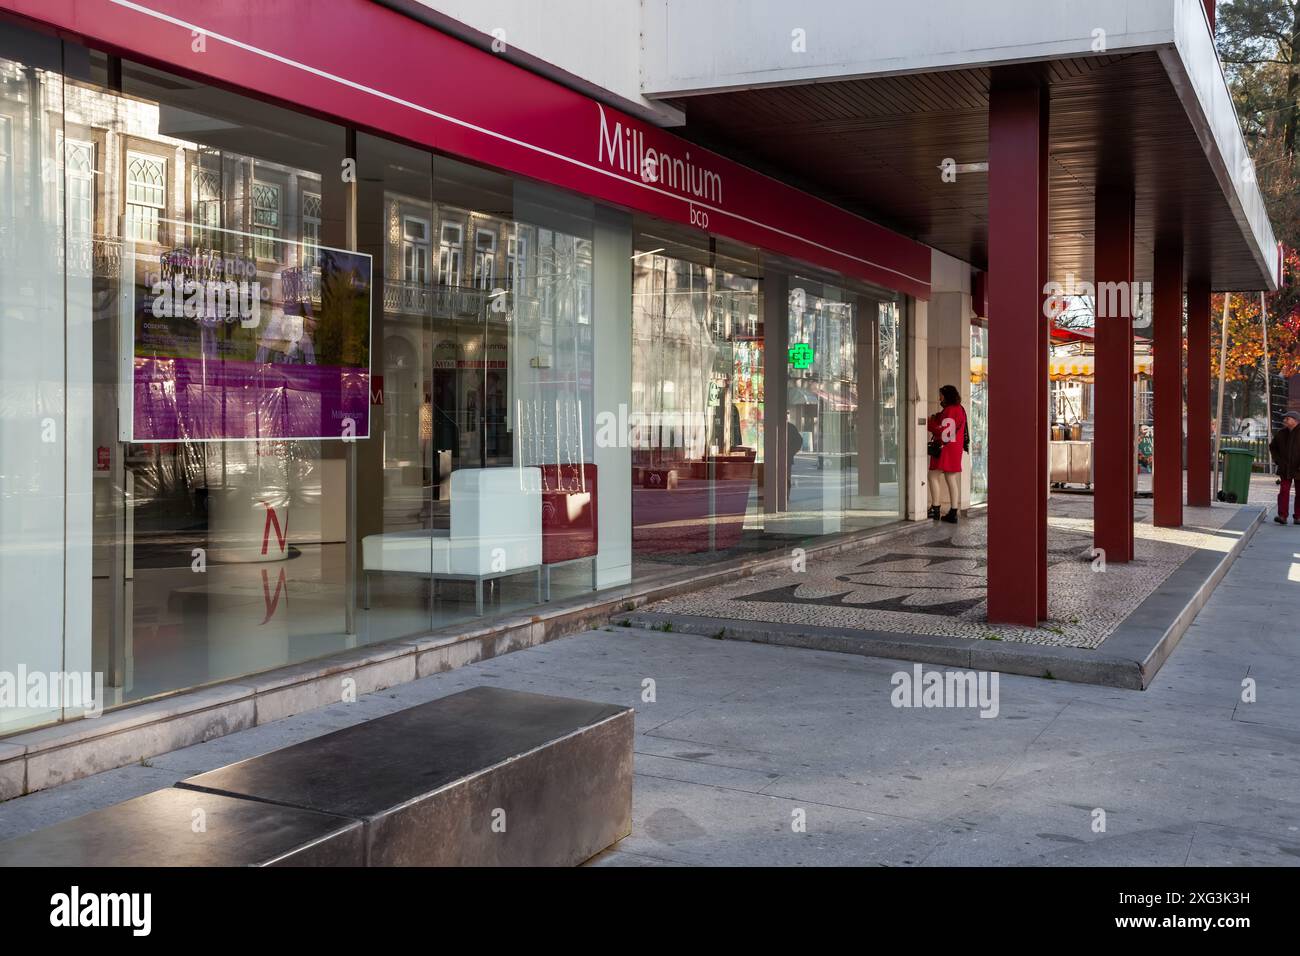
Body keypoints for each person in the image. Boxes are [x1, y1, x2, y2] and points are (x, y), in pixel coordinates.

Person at [927, 384, 967, 524]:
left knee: (933, 475)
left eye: (941, 395)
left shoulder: (949, 410)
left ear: (946, 395)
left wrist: (929, 424)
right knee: (951, 479)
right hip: (955, 448)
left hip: (944, 448)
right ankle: (954, 511)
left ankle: (935, 509)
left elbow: (944, 432)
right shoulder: (960, 409)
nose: (939, 397)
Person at [1268, 409, 1300, 525]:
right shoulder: (1281, 433)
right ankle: (1282, 516)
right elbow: (1273, 447)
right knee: (1284, 491)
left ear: (1295, 420)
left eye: (1287, 418)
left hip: (1299, 469)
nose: (1284, 420)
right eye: (1284, 418)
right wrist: (1278, 460)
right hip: (1285, 468)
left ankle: (1298, 517)